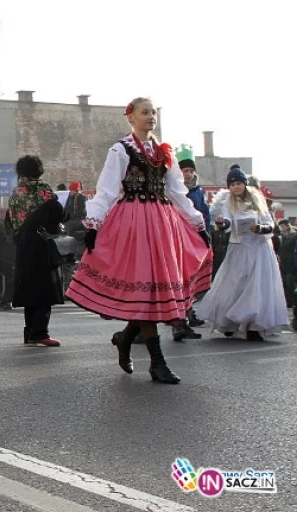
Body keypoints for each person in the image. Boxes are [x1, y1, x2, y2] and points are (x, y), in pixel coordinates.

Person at [65, 97, 211, 384]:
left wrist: (197, 222)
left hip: (163, 222)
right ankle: (157, 362)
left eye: (153, 112)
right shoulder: (121, 149)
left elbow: (177, 192)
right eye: (145, 112)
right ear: (130, 117)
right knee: (146, 287)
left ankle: (126, 338)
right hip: (133, 222)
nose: (151, 116)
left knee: (154, 291)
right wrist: (93, 224)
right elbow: (107, 190)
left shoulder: (164, 152)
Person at [194, 166, 290, 341]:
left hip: (259, 248)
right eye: (232, 184)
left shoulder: (257, 200)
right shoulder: (227, 202)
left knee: (256, 286)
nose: (236, 187)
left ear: (244, 184)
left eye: (238, 183)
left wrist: (260, 228)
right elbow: (227, 222)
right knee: (234, 285)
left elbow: (269, 223)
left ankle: (253, 325)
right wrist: (222, 224)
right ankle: (229, 323)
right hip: (238, 248)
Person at [5, 156, 64, 347]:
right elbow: (58, 213)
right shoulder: (42, 189)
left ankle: (29, 332)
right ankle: (40, 332)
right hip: (41, 246)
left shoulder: (15, 192)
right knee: (44, 289)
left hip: (22, 247)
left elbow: (9, 220)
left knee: (29, 290)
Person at [172, 144, 209, 340]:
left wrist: (205, 232)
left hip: (195, 237)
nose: (187, 174)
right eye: (184, 170)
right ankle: (178, 322)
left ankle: (187, 316)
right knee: (178, 279)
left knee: (190, 279)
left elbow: (204, 213)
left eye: (190, 170)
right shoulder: (173, 190)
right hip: (178, 237)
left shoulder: (198, 191)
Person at [276, 219, 297, 316]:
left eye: (282, 226)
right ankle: (288, 302)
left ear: (287, 225)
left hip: (291, 263)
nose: (282, 228)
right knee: (285, 283)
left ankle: (292, 301)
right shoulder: (282, 235)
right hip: (284, 263)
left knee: (290, 282)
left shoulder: (294, 234)